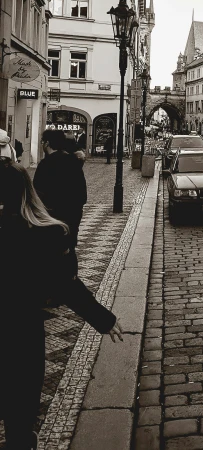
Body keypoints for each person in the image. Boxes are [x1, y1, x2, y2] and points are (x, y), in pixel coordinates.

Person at [0, 151, 122, 450]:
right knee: (20, 408)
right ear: (27, 193)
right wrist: (103, 319)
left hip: (20, 331)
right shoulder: (46, 234)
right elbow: (65, 284)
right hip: (21, 333)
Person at [34, 130, 87, 252]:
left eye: (42, 141)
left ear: (47, 143)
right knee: (70, 246)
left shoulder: (45, 164)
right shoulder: (73, 161)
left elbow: (38, 192)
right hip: (73, 212)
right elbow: (82, 192)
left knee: (51, 248)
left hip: (51, 214)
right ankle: (70, 270)